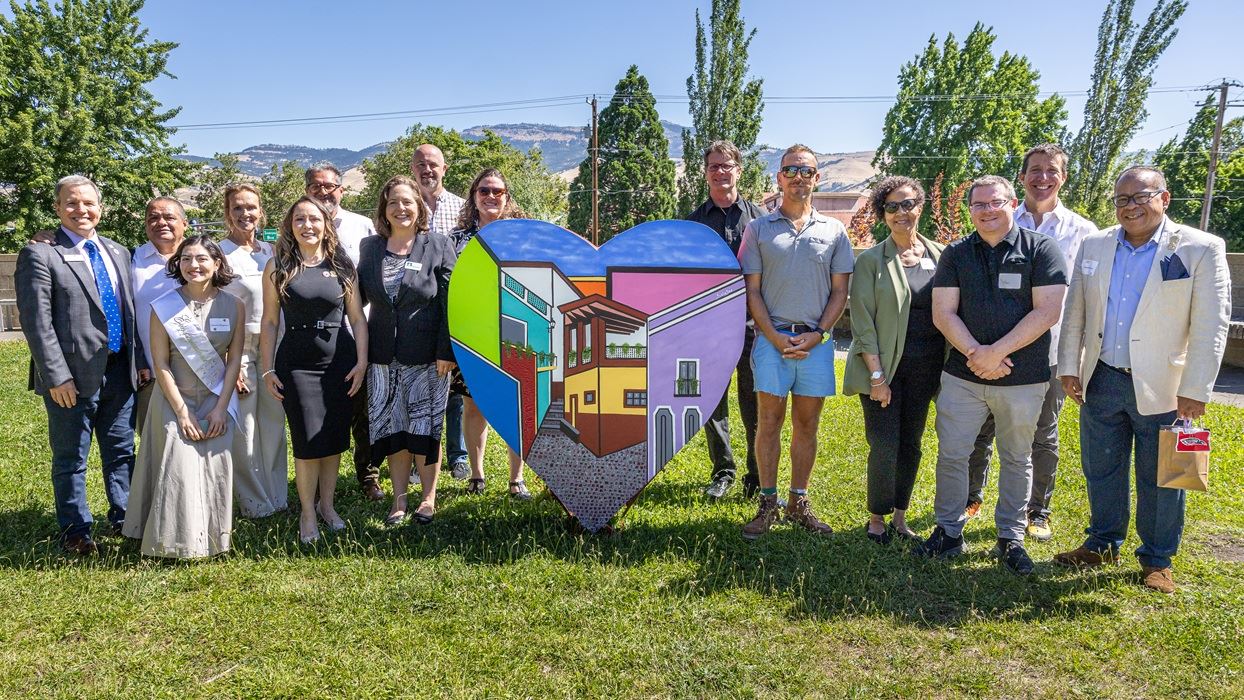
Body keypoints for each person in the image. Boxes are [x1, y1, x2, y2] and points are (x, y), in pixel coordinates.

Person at [1054, 166, 1231, 594]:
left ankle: (1157, 558)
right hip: (1102, 379)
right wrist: (1069, 365)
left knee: (1164, 476)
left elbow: (1212, 323)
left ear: (1164, 199)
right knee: (1102, 469)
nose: (1129, 207)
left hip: (1165, 385)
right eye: (1121, 200)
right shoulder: (1095, 244)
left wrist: (1195, 388)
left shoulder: (1200, 248)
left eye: (1140, 197)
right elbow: (1075, 309)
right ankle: (1103, 542)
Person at [919, 175, 1067, 576]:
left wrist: (996, 353)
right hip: (963, 377)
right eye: (978, 205)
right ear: (970, 209)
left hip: (1024, 378)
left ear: (1012, 203)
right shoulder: (956, 253)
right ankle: (949, 532)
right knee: (952, 454)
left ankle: (1010, 538)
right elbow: (943, 312)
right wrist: (975, 354)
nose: (986, 211)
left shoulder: (1042, 249)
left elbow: (1047, 312)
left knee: (1016, 457)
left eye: (995, 203)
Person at [965, 144, 1097, 541]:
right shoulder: (996, 216)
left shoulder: (1084, 233)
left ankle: (1037, 511)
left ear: (1063, 177)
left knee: (1043, 433)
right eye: (1034, 170)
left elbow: (1086, 297)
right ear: (1021, 177)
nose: (1043, 178)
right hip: (990, 352)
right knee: (980, 430)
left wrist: (1079, 356)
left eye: (1051, 170)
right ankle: (972, 498)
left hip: (1051, 353)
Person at [16, 175, 143, 555]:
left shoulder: (118, 251)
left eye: (88, 203)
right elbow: (37, 322)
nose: (81, 210)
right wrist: (56, 376)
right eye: (71, 203)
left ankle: (125, 518)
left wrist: (138, 361)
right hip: (70, 378)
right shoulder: (41, 254)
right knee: (71, 456)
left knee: (121, 451)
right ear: (57, 208)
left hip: (121, 371)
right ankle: (75, 529)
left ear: (100, 209)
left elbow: (130, 312)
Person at [736, 145, 853, 540]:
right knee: (768, 422)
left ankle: (798, 502)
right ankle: (767, 503)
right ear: (779, 178)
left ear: (817, 178)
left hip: (816, 343)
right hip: (772, 341)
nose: (799, 176)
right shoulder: (758, 230)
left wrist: (818, 334)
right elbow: (751, 291)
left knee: (807, 424)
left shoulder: (835, 231)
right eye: (791, 169)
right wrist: (774, 337)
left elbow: (841, 292)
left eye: (807, 170)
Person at [123, 236, 244, 558]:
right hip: (174, 400)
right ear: (178, 265)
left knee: (214, 466)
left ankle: (214, 540)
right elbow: (160, 363)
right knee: (179, 468)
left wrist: (220, 409)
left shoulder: (234, 306)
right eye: (187, 259)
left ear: (217, 264)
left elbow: (234, 360)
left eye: (202, 258)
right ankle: (173, 542)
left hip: (215, 399)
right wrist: (182, 412)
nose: (194, 265)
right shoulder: (164, 307)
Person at [259, 197, 368, 544]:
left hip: (340, 363)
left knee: (334, 440)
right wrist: (267, 369)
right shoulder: (278, 267)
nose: (308, 225)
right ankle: (307, 514)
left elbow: (357, 319)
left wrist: (362, 362)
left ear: (326, 225)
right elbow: (270, 321)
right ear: (291, 225)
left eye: (314, 220)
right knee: (307, 442)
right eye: (300, 219)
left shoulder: (343, 266)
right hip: (297, 365)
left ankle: (328, 507)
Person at [843, 176, 945, 545]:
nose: (901, 213)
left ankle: (901, 516)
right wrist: (876, 375)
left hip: (927, 368)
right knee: (884, 443)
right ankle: (876, 518)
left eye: (907, 204)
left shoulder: (942, 255)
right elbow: (863, 322)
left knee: (911, 443)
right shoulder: (871, 260)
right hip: (882, 368)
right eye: (892, 207)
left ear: (920, 207)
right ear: (882, 214)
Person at [358, 175, 457, 525]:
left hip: (429, 358)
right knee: (393, 430)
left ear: (420, 207)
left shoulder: (439, 245)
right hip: (382, 358)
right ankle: (399, 501)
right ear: (384, 209)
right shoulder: (369, 248)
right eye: (393, 202)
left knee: (426, 429)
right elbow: (359, 301)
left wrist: (447, 350)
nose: (401, 208)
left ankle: (428, 499)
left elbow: (451, 302)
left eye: (407, 202)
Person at [685, 140, 766, 500]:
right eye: (713, 166)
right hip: (709, 329)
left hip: (753, 325)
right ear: (706, 174)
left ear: (739, 170)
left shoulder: (761, 221)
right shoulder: (692, 225)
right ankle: (723, 471)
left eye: (726, 165)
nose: (720, 172)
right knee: (713, 403)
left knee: (755, 402)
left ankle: (755, 472)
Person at [449, 168, 532, 499]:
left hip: (519, 335)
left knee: (518, 408)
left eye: (498, 191)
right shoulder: (457, 241)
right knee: (474, 407)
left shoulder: (524, 239)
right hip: (472, 336)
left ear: (507, 198)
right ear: (474, 197)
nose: (491, 197)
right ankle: (478, 476)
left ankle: (516, 479)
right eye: (484, 191)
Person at [305, 163, 384, 502]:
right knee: (326, 409)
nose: (325, 192)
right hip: (317, 338)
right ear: (308, 190)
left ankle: (368, 475)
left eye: (331, 186)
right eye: (317, 186)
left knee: (364, 409)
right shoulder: (300, 225)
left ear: (341, 189)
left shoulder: (362, 226)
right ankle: (324, 482)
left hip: (359, 329)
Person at [219, 183, 290, 518]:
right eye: (237, 208)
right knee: (244, 430)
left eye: (251, 208)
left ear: (261, 212)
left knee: (274, 424)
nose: (245, 214)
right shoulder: (219, 254)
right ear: (227, 213)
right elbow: (213, 309)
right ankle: (253, 502)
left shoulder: (272, 252)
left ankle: (278, 496)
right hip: (240, 350)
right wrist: (225, 363)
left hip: (275, 348)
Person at [411, 143, 470, 481]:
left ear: (444, 169)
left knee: (453, 386)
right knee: (422, 384)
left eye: (432, 164)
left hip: (454, 305)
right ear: (413, 169)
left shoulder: (461, 208)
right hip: (418, 308)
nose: (427, 170)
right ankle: (422, 454)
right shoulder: (405, 206)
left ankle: (458, 455)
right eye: (420, 164)